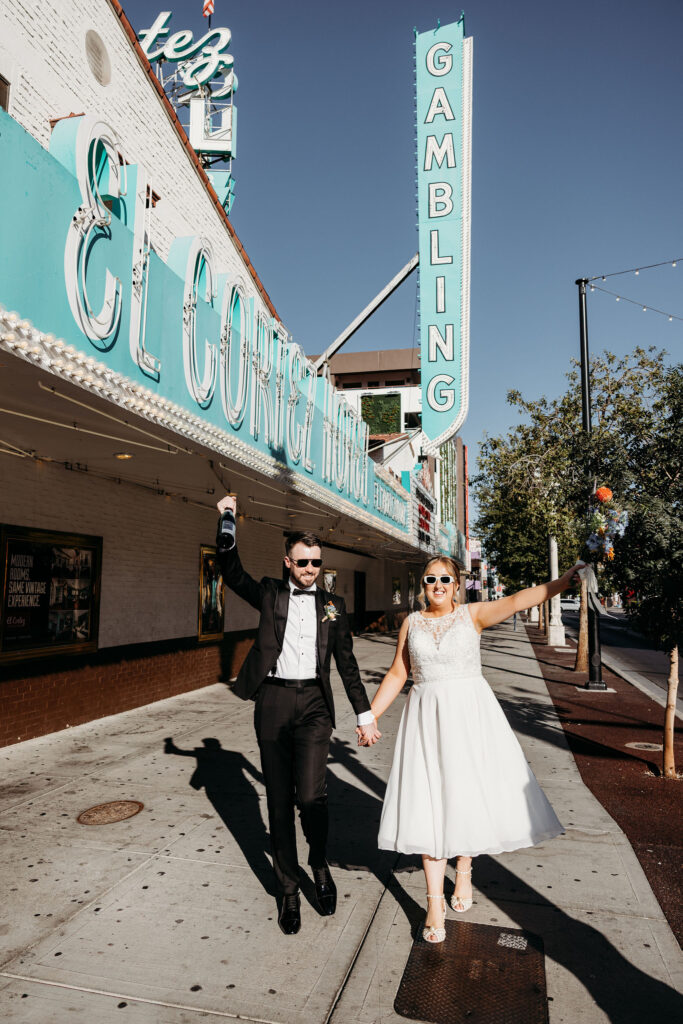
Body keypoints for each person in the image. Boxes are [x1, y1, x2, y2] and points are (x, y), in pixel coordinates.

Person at [358, 555, 584, 944]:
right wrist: (370, 716)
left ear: (457, 585)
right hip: (426, 723)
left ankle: (463, 868)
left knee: (463, 799)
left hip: (470, 720)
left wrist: (562, 583)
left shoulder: (472, 615)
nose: (438, 585)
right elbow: (398, 672)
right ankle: (433, 903)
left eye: (445, 579)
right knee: (429, 807)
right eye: (430, 579)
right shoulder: (411, 622)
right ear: (422, 585)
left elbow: (517, 600)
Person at [215, 494, 381, 935]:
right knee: (278, 802)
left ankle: (318, 863)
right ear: (288, 562)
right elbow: (231, 572)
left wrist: (364, 713)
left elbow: (346, 664)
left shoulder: (333, 605)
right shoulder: (270, 593)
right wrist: (228, 517)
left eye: (316, 563)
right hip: (273, 701)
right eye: (303, 562)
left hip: (314, 706)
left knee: (310, 796)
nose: (310, 569)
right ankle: (288, 889)